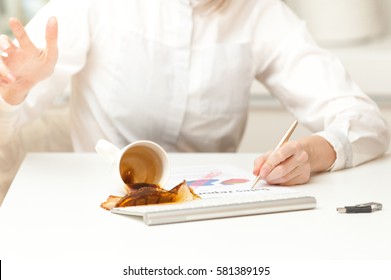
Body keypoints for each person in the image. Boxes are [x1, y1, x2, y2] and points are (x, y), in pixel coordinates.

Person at [0, 0, 389, 191]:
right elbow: (10, 107)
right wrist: (14, 93)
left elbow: (365, 119)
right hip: (102, 209)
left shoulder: (260, 13)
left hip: (209, 220)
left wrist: (313, 152)